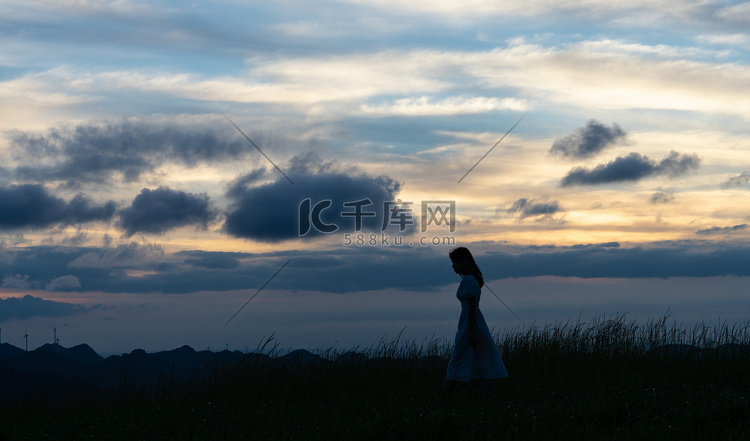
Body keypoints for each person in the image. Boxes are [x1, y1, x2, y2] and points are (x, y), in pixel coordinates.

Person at [443, 247, 508, 398]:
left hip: (471, 324)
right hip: (471, 323)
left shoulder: (468, 280)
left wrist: (471, 329)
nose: (453, 266)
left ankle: (444, 397)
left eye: (454, 262)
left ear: (462, 262)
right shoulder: (470, 280)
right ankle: (491, 397)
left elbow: (472, 306)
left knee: (456, 361)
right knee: (482, 360)